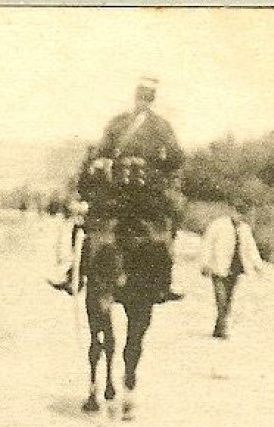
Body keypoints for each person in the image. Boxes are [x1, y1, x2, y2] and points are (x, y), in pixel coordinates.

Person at [88, 76, 185, 301]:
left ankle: (165, 278)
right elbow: (103, 150)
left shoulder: (148, 125)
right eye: (143, 94)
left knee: (167, 224)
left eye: (146, 95)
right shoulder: (133, 124)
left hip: (133, 193)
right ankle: (74, 269)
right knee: (93, 227)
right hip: (131, 193)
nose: (143, 99)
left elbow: (175, 158)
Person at [199, 199, 264, 339]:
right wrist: (205, 263)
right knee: (221, 299)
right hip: (218, 267)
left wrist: (258, 265)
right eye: (238, 212)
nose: (239, 216)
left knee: (228, 299)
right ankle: (222, 328)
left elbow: (251, 248)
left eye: (243, 214)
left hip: (235, 268)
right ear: (232, 211)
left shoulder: (245, 229)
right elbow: (207, 243)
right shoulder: (218, 225)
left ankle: (218, 327)